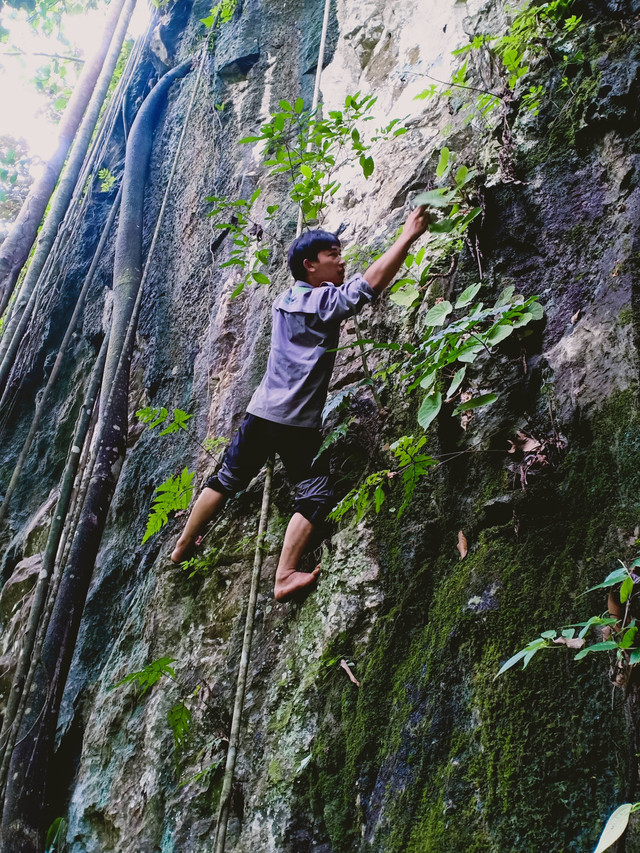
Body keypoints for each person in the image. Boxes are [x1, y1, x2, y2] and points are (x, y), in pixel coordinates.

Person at [171, 204, 431, 600]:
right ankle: (284, 575)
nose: (341, 261)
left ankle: (184, 544)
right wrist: (407, 235)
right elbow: (365, 289)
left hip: (262, 412)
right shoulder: (314, 303)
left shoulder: (288, 299)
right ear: (310, 265)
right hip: (295, 422)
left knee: (226, 478)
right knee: (315, 492)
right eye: (334, 256)